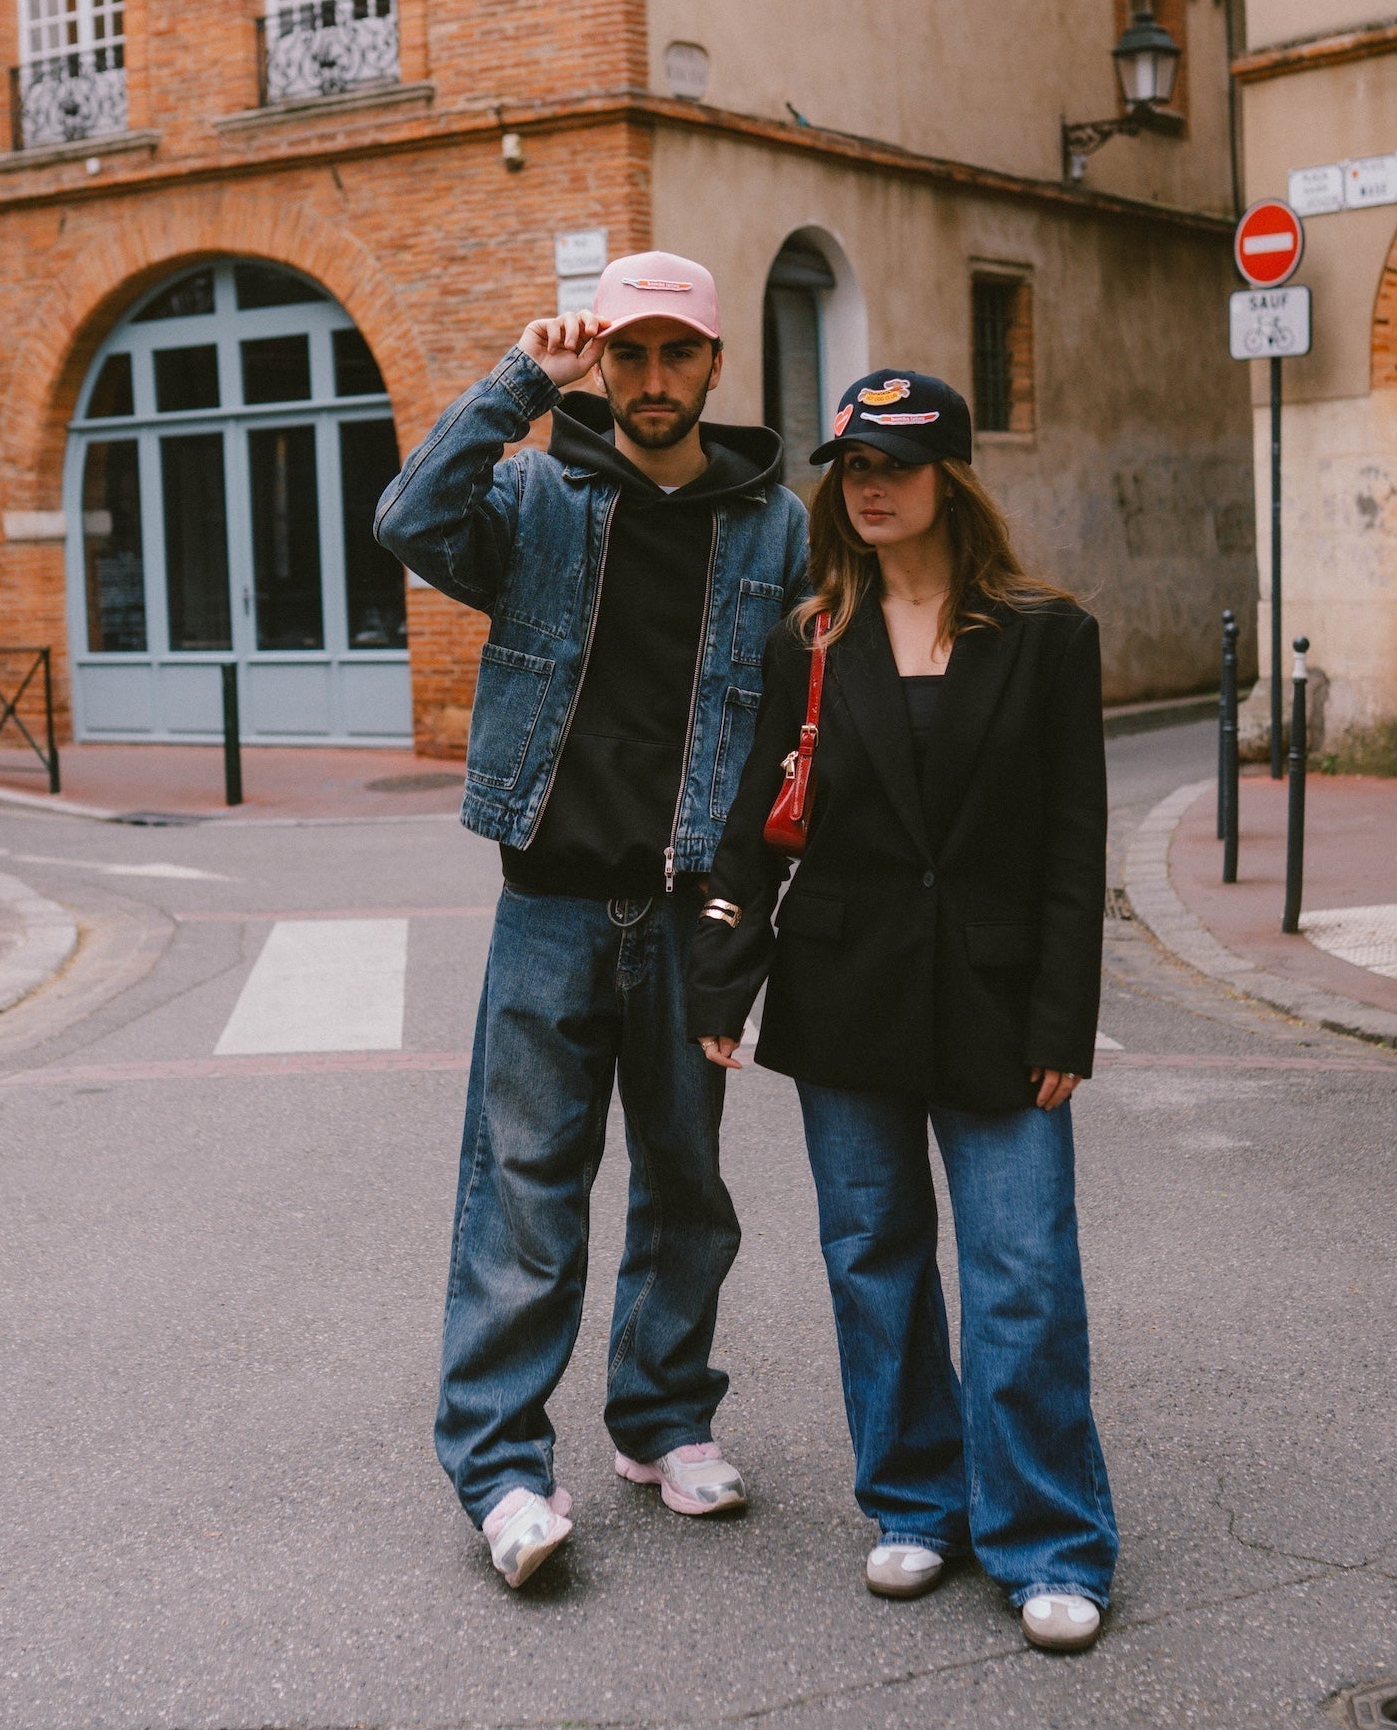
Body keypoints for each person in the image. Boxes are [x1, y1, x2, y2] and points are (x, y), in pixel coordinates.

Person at [373, 251, 809, 1590]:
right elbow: (408, 518)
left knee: (687, 1186)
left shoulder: (776, 524)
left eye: (678, 353)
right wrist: (521, 378)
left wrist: (755, 910)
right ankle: (502, 1468)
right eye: (630, 353)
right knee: (522, 1190)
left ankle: (662, 1418)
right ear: (602, 361)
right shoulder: (534, 493)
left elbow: (799, 720)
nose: (654, 379)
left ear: (717, 363)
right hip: (552, 903)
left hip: (690, 908)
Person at [686, 368, 1119, 1654]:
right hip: (847, 992)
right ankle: (919, 1503)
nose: (869, 487)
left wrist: (1064, 1018)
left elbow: (1073, 844)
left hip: (998, 1000)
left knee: (1022, 1271)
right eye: (852, 468)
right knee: (872, 1261)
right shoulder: (811, 639)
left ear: (952, 478)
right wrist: (723, 980)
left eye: (895, 464)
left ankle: (1049, 1538)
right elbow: (757, 817)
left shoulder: (1046, 635)